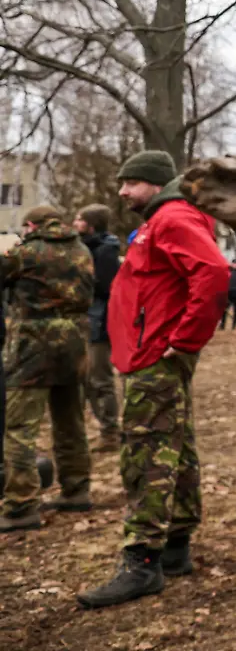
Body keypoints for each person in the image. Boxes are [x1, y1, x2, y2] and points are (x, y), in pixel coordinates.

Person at [77, 150, 229, 609]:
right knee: (173, 445)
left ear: (156, 183)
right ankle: (177, 546)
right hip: (148, 352)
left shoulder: (172, 218)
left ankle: (141, 562)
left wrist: (185, 340)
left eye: (131, 182)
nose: (122, 191)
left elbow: (213, 272)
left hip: (155, 355)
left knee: (145, 452)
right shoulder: (162, 219)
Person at [0, 206, 95, 533]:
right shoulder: (81, 249)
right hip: (75, 343)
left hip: (34, 346)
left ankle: (21, 504)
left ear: (31, 225)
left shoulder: (27, 253)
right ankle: (77, 488)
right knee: (71, 421)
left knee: (20, 427)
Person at [74, 204, 122, 452]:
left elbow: (105, 288)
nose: (75, 223)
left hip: (99, 322)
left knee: (100, 379)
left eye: (79, 219)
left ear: (91, 225)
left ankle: (110, 432)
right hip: (88, 320)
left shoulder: (104, 252)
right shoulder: (86, 247)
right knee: (88, 380)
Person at [219, 262, 236, 331]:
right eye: (234, 263)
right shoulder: (228, 271)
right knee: (224, 310)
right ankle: (222, 325)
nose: (235, 265)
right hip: (228, 293)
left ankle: (234, 326)